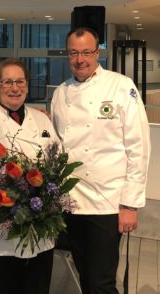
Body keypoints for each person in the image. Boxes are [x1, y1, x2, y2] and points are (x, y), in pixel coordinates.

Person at [51, 27, 151, 293]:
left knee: (101, 281)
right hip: (71, 203)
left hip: (106, 202)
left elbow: (138, 147)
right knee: (85, 274)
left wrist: (129, 203)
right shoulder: (60, 92)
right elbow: (60, 146)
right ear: (67, 55)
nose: (80, 59)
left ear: (98, 53)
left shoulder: (120, 86)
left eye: (86, 52)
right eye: (73, 53)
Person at [0, 58, 60, 294]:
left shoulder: (42, 120)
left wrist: (47, 204)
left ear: (27, 85)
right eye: (7, 81)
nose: (14, 87)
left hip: (40, 232)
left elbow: (57, 162)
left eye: (20, 81)